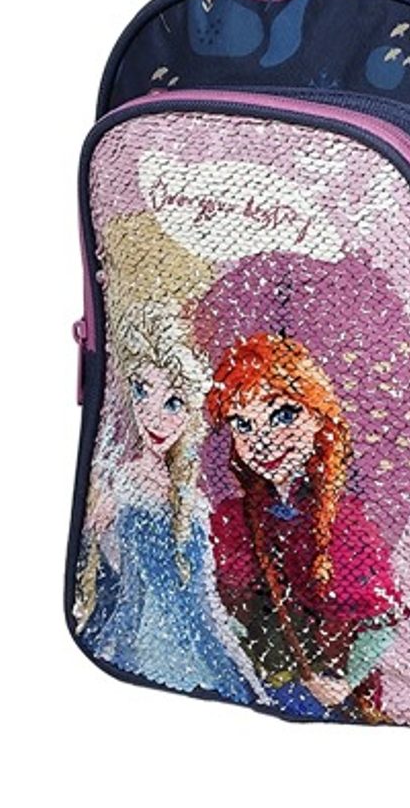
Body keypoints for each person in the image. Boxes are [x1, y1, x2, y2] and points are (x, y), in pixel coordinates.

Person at [204, 331, 410, 722]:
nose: (262, 441)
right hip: (256, 691)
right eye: (243, 425)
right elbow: (226, 609)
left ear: (318, 416)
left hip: (336, 703)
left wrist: (345, 682)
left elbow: (381, 621)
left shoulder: (344, 523)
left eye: (283, 415)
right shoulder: (234, 518)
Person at [73, 301, 262, 704]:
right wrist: (99, 529)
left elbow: (206, 603)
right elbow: (115, 576)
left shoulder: (193, 500)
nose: (154, 418)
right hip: (133, 644)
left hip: (192, 650)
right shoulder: (119, 480)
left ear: (192, 410)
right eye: (141, 390)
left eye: (174, 403)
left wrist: (247, 672)